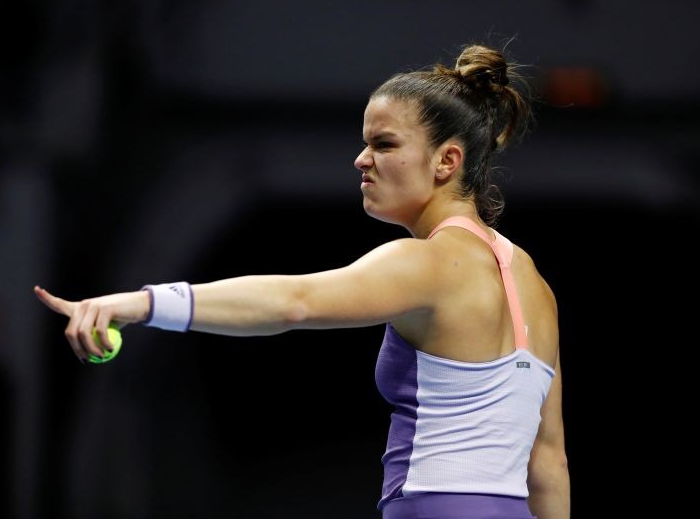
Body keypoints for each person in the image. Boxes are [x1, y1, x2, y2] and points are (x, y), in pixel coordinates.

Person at [35, 43, 570, 519]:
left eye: (383, 144)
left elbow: (294, 301)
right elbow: (548, 462)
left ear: (446, 161)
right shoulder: (534, 285)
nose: (362, 159)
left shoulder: (427, 263)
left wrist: (143, 303)